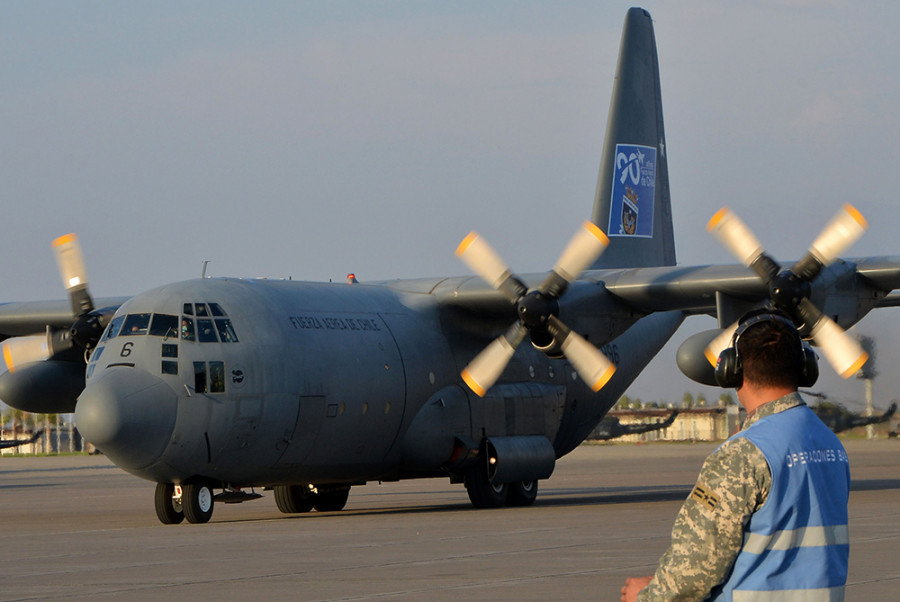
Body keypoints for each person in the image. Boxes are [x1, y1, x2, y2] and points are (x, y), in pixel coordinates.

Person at [621, 312, 850, 601]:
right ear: (804, 367)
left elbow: (695, 567)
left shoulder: (743, 453)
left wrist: (647, 596)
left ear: (732, 370)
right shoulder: (831, 446)